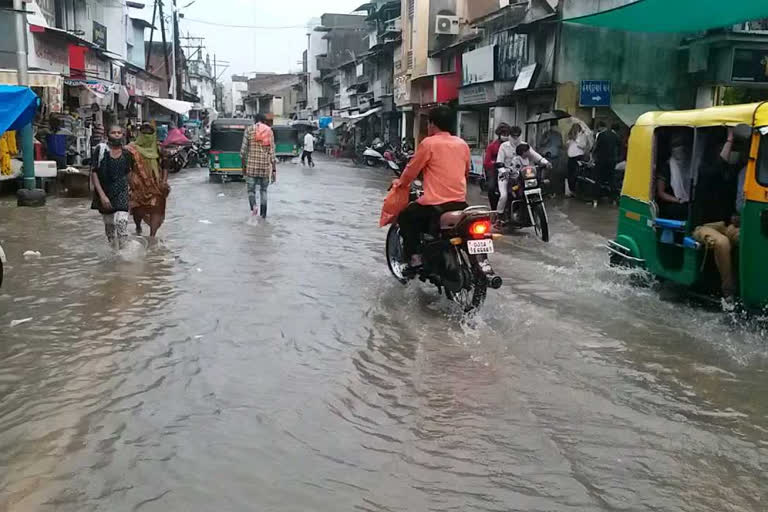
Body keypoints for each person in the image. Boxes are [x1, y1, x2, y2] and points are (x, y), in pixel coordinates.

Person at [394, 106, 470, 268]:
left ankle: (415, 258)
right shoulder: (462, 144)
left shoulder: (428, 143)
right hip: (460, 203)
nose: (427, 127)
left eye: (428, 123)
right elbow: (466, 172)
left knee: (405, 216)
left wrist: (401, 184)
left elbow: (411, 170)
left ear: (433, 124)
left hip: (436, 205)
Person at [691, 128, 746, 300]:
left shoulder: (732, 173)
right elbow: (717, 167)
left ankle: (745, 284)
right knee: (722, 243)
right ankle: (728, 291)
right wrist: (730, 138)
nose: (732, 150)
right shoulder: (705, 169)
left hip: (725, 224)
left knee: (746, 238)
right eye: (729, 146)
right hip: (703, 226)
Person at [91, 125, 133, 249]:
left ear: (123, 135)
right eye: (113, 132)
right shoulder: (101, 150)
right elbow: (94, 173)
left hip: (121, 190)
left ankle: (123, 253)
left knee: (121, 223)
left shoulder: (127, 153)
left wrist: (132, 190)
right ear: (108, 135)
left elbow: (129, 173)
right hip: (105, 190)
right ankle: (112, 251)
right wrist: (102, 196)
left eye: (119, 132)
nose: (116, 135)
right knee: (109, 226)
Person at [126, 122, 169, 238]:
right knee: (138, 210)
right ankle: (138, 226)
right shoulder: (131, 150)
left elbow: (165, 166)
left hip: (156, 185)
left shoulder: (159, 149)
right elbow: (127, 168)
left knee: (156, 208)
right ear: (139, 134)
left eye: (149, 134)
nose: (146, 136)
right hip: (139, 185)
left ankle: (152, 237)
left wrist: (164, 182)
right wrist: (132, 180)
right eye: (144, 133)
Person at [497, 143, 551, 221]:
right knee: (511, 192)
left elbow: (536, 163)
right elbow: (512, 168)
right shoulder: (516, 159)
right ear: (523, 152)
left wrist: (544, 164)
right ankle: (504, 214)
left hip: (528, 181)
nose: (529, 152)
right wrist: (507, 171)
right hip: (518, 182)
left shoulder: (528, 159)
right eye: (527, 151)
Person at [240, 113, 277, 218]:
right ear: (264, 121)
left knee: (251, 191)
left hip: (251, 167)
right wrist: (274, 171)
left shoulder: (249, 130)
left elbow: (243, 152)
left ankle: (254, 207)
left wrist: (243, 169)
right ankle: (263, 215)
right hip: (265, 168)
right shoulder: (269, 131)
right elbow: (272, 153)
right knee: (264, 191)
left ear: (255, 120)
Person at [655, 132, 692, 220]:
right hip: (670, 203)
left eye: (683, 145)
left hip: (686, 201)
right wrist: (678, 200)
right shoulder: (666, 167)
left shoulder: (689, 165)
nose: (681, 148)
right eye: (677, 145)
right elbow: (661, 193)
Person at [483, 122, 511, 210]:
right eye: (503, 134)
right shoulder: (492, 146)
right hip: (495, 170)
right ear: (499, 135)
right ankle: (494, 210)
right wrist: (496, 163)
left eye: (507, 134)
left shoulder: (512, 146)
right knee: (491, 188)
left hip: (510, 169)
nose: (505, 136)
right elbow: (486, 162)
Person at [592, 121, 620, 189]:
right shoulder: (615, 135)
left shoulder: (601, 135)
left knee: (599, 178)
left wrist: (593, 156)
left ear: (600, 127)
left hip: (601, 160)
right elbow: (618, 147)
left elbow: (597, 147)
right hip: (612, 160)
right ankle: (612, 195)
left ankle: (598, 195)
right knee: (611, 178)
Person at [566, 122, 590, 197]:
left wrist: (577, 141)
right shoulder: (570, 137)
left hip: (578, 156)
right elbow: (567, 145)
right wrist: (570, 142)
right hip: (571, 157)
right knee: (570, 174)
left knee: (575, 174)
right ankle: (571, 190)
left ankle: (575, 190)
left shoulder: (582, 135)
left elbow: (583, 146)